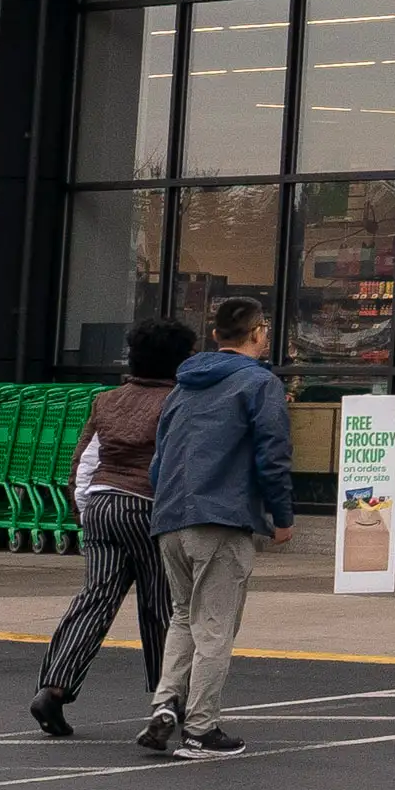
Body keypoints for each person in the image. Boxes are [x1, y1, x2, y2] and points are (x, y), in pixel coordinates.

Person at [138, 294, 291, 756]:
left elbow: (159, 459)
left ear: (216, 336)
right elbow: (273, 453)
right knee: (216, 625)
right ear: (258, 332)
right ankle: (201, 728)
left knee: (183, 616)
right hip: (222, 515)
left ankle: (166, 704)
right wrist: (281, 516)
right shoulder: (258, 384)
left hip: (171, 515)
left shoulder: (183, 386)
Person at [28, 319, 193, 738]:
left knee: (95, 599)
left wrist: (84, 511)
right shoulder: (177, 401)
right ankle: (167, 702)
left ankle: (54, 687)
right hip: (149, 509)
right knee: (162, 608)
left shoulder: (108, 400)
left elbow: (83, 462)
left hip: (102, 504)